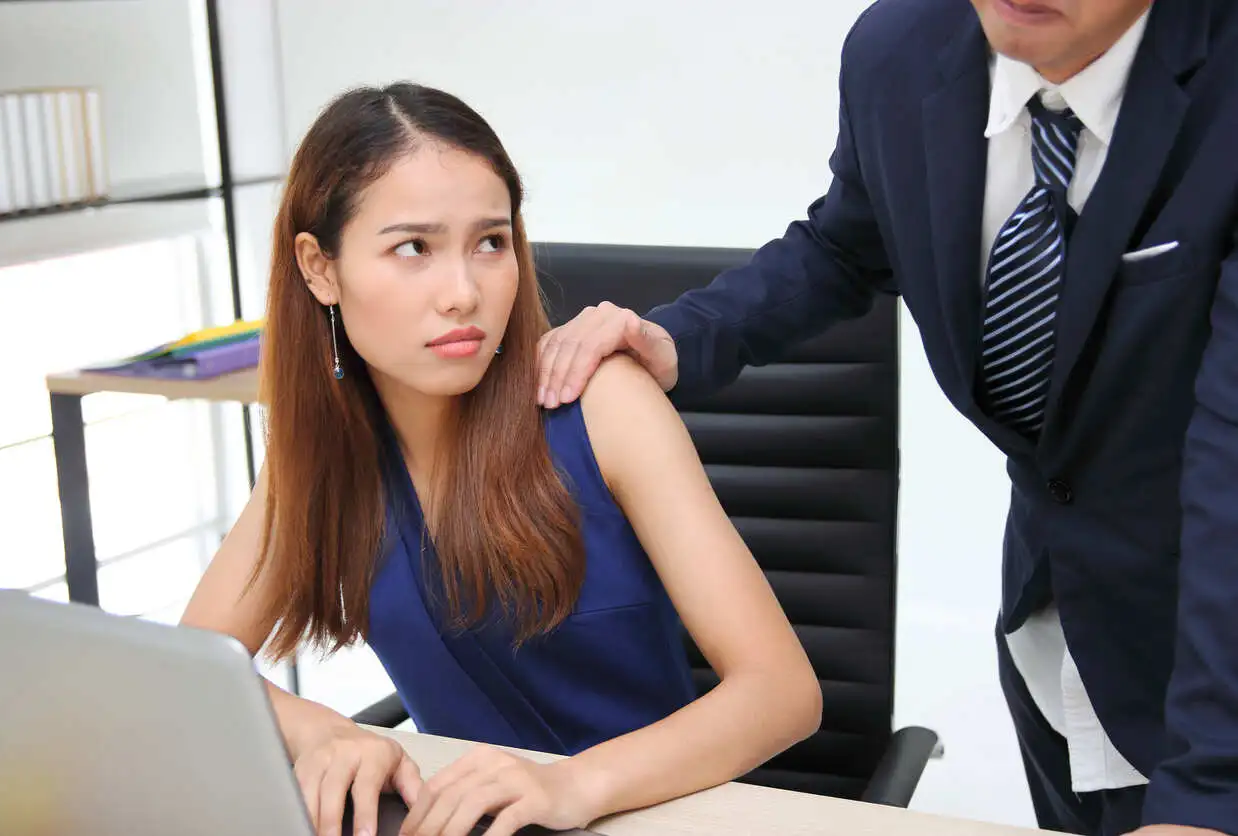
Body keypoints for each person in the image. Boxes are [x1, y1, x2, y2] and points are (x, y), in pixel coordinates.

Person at [535, 2, 1238, 835]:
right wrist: (679, 336)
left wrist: (1208, 791)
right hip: (1061, 625)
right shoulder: (900, 52)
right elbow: (846, 245)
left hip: (1213, 663)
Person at [179, 82, 821, 836]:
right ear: (320, 268)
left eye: (490, 242)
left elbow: (782, 693)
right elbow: (194, 669)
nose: (464, 293)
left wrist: (569, 788)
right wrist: (324, 731)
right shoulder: (324, 456)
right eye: (413, 248)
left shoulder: (602, 403)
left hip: (651, 815)